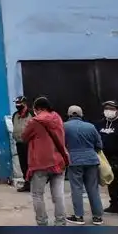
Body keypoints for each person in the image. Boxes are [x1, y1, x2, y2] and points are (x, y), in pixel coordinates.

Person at [21, 96, 70, 226]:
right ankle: (60, 222)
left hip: (40, 163)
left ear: (37, 109)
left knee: (37, 195)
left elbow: (24, 137)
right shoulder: (57, 118)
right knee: (58, 195)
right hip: (59, 161)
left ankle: (42, 223)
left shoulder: (35, 121)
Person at [62, 105, 105, 225]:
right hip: (92, 160)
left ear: (69, 115)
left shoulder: (64, 126)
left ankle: (79, 217)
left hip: (74, 161)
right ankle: (97, 217)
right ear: (81, 115)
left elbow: (61, 144)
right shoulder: (90, 126)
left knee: (76, 188)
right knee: (93, 188)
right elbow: (99, 145)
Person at [11, 96, 33, 192]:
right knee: (23, 164)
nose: (17, 105)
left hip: (30, 143)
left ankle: (33, 184)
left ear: (24, 103)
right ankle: (27, 183)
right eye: (16, 103)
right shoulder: (15, 115)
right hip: (19, 143)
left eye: (19, 103)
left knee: (31, 164)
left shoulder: (31, 114)